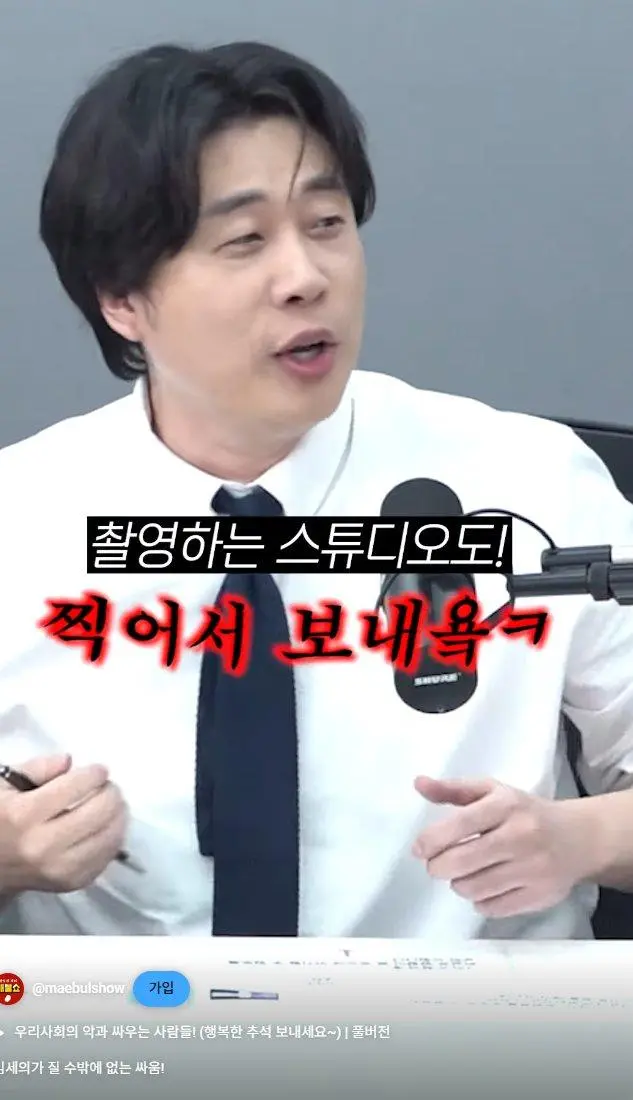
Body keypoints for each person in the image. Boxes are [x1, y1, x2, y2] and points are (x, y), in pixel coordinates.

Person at [1, 40, 633, 939]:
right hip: (124, 1021)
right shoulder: (19, 519)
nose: (305, 278)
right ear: (122, 299)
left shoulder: (525, 485)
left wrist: (581, 838)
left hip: (467, 1019)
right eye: (243, 241)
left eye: (327, 223)